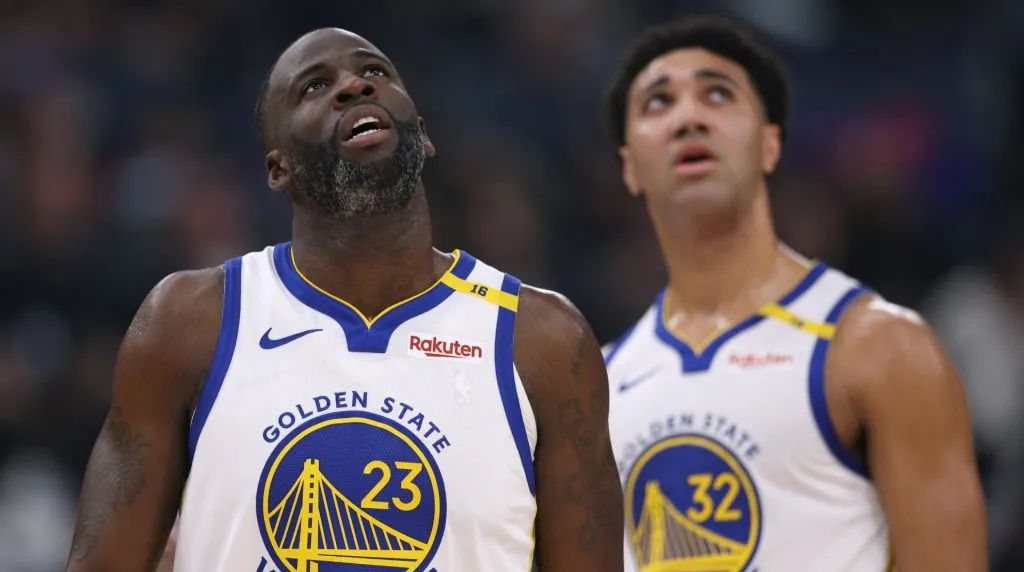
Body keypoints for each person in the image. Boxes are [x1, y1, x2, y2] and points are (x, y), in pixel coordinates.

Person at [64, 27, 623, 572]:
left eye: (374, 71)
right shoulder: (188, 322)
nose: (354, 86)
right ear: (278, 167)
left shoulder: (543, 340)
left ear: (423, 133)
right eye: (314, 86)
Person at [601, 16, 988, 572]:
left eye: (718, 95)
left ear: (770, 144)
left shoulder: (882, 347)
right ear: (629, 167)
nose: (689, 118)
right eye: (658, 103)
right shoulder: (600, 382)